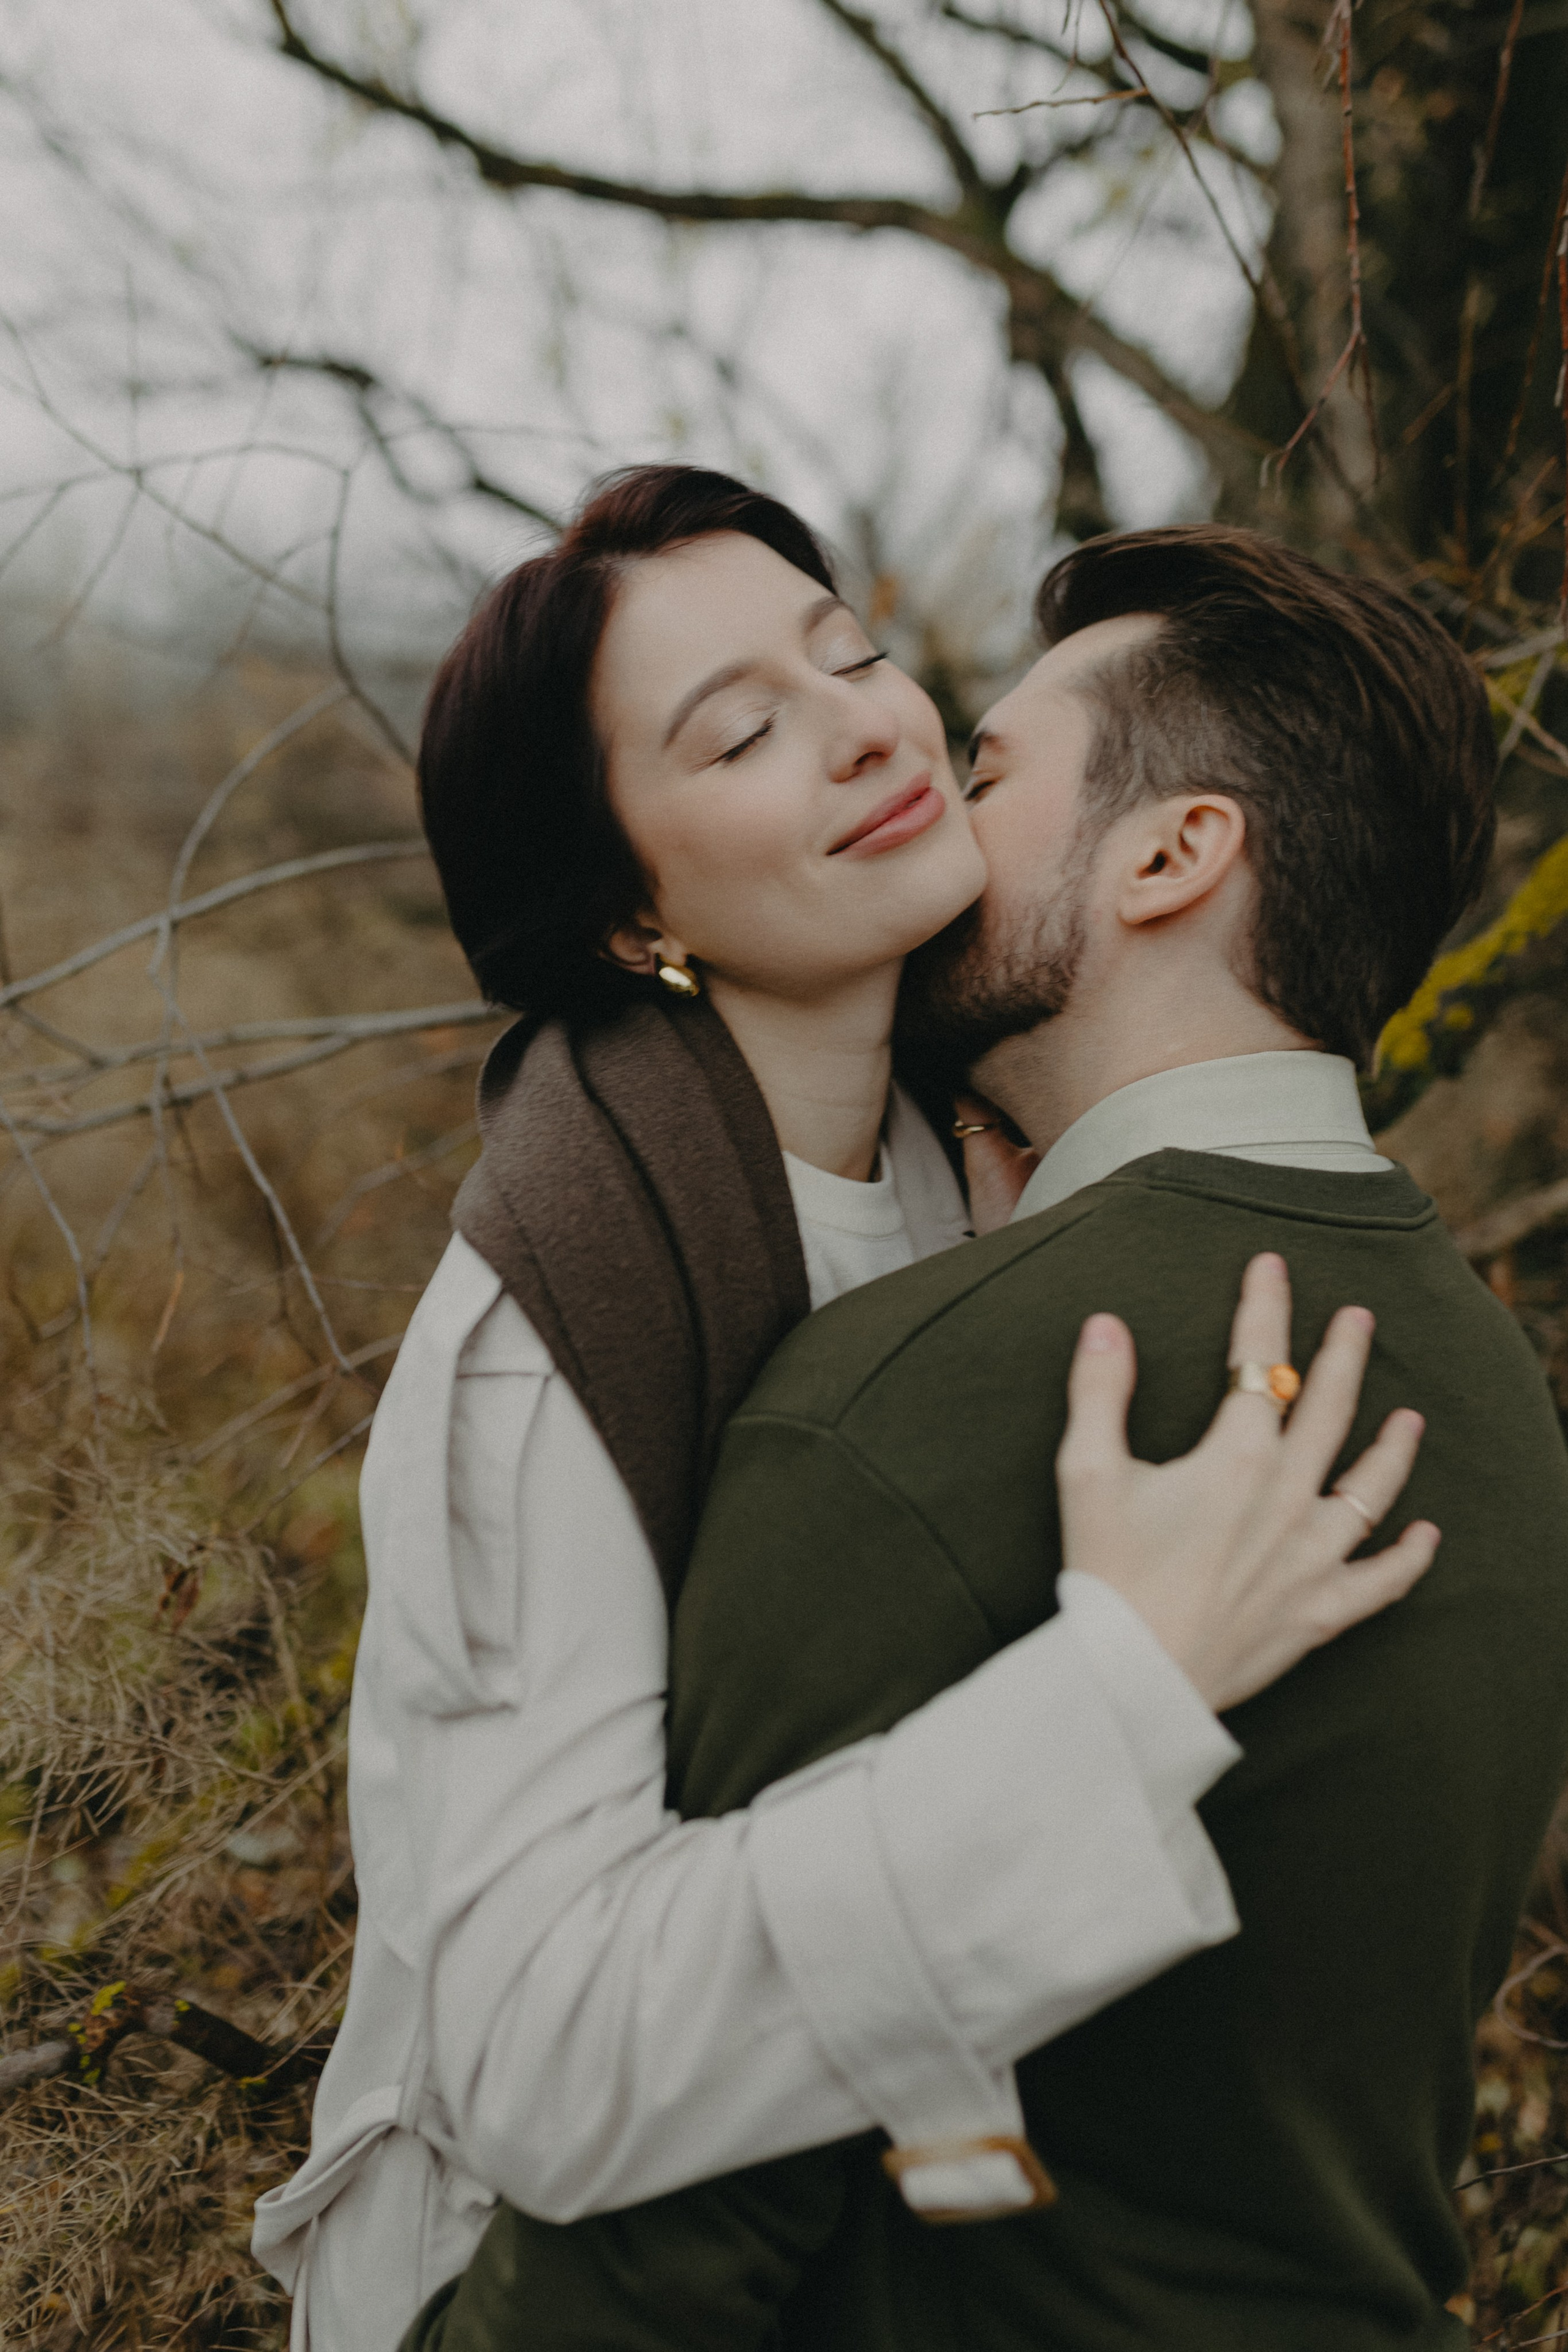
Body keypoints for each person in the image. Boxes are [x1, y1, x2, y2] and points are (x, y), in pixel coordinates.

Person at [251, 476, 1431, 2350]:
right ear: (633, 908)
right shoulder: (556, 1321)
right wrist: (1117, 1695)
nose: (866, 726)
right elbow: (546, 2059)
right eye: (739, 731)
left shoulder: (980, 1173)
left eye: (851, 650)